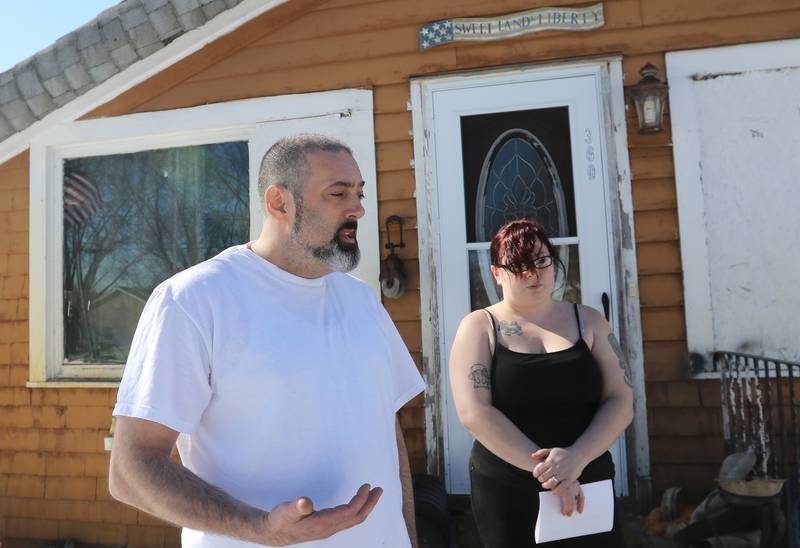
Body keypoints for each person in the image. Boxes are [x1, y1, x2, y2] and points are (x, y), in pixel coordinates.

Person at [109, 134, 425, 548]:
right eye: (339, 193)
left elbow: (388, 433)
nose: (358, 209)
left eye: (359, 193)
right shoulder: (193, 300)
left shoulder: (361, 300)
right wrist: (259, 528)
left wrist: (410, 537)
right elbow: (131, 470)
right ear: (279, 202)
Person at [448, 218, 634, 547]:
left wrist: (576, 458)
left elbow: (621, 399)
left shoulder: (590, 321)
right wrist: (552, 473)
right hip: (508, 486)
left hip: (587, 476)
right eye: (518, 265)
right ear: (496, 273)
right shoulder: (479, 327)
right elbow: (474, 412)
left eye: (541, 261)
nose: (532, 273)